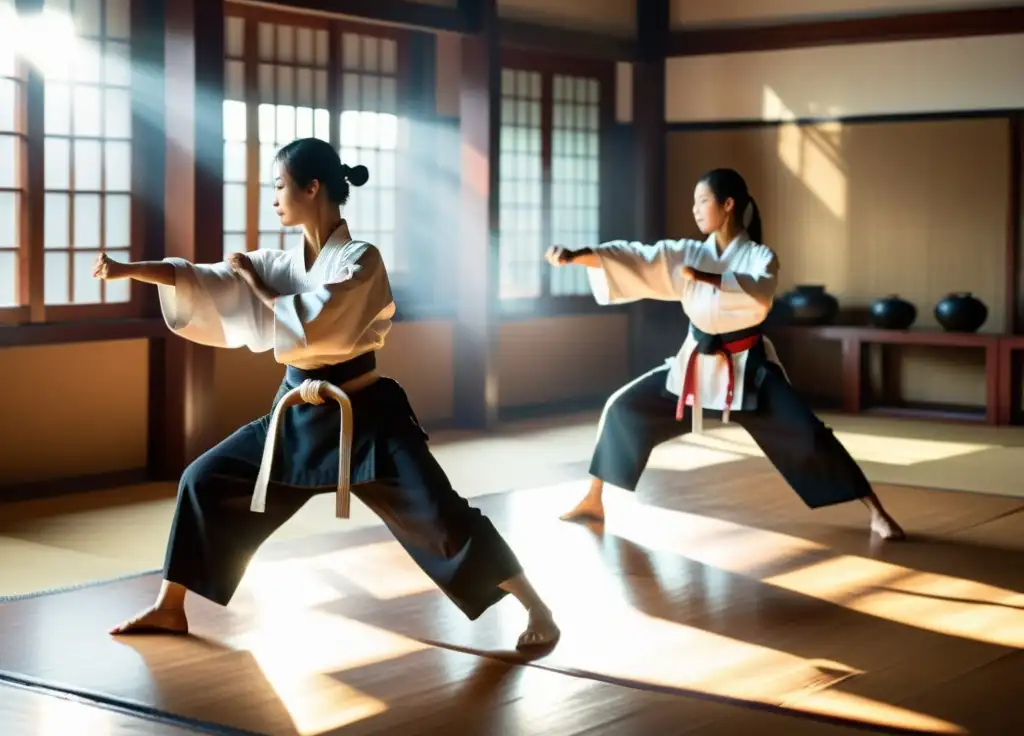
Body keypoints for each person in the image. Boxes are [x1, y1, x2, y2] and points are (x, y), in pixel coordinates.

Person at [95, 137, 559, 649]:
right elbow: (205, 279)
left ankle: (538, 606)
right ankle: (170, 607)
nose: (273, 198)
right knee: (203, 479)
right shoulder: (282, 263)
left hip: (365, 416)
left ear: (312, 187)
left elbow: (319, 322)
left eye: (279, 186)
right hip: (295, 415)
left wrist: (257, 289)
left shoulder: (361, 260)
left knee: (439, 514)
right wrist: (129, 270)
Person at [545, 168, 904, 540]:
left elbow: (760, 293)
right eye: (694, 202)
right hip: (695, 366)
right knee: (623, 407)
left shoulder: (759, 256)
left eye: (703, 201)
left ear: (728, 204)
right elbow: (636, 259)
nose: (695, 209)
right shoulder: (689, 252)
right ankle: (593, 499)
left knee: (808, 434)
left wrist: (711, 279)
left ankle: (876, 512)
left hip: (750, 368)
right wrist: (576, 257)